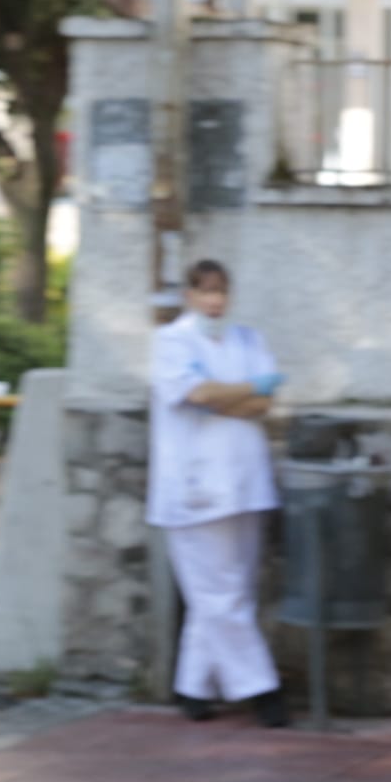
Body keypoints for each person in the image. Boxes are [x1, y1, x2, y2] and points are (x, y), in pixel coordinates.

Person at [146, 259, 290, 728]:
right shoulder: (172, 341)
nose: (215, 300)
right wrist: (243, 390)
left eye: (222, 290)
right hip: (194, 488)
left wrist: (226, 395)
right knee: (217, 595)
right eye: (206, 291)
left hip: (245, 481)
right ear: (189, 294)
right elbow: (198, 394)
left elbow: (262, 405)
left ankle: (193, 688)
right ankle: (262, 689)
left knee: (231, 593)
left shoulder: (248, 339)